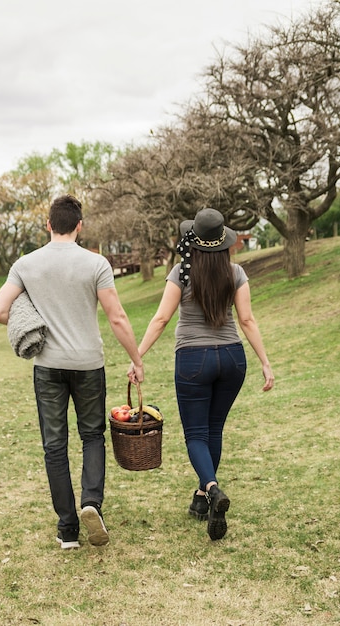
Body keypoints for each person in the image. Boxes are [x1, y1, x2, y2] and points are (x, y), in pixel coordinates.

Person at [0, 194, 144, 549]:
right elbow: (117, 317)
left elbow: (0, 311)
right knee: (92, 436)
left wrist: (32, 317)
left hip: (47, 366)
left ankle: (67, 530)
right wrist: (136, 359)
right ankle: (91, 503)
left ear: (48, 225)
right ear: (79, 225)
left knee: (54, 446)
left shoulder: (26, 265)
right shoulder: (96, 264)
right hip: (89, 364)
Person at [128, 208, 274, 541]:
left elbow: (161, 319)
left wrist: (138, 357)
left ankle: (210, 489)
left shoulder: (182, 271)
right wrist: (265, 361)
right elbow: (247, 320)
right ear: (223, 243)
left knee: (196, 434)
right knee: (214, 429)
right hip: (233, 359)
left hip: (194, 360)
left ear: (195, 241)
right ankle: (201, 497)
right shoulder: (236, 272)